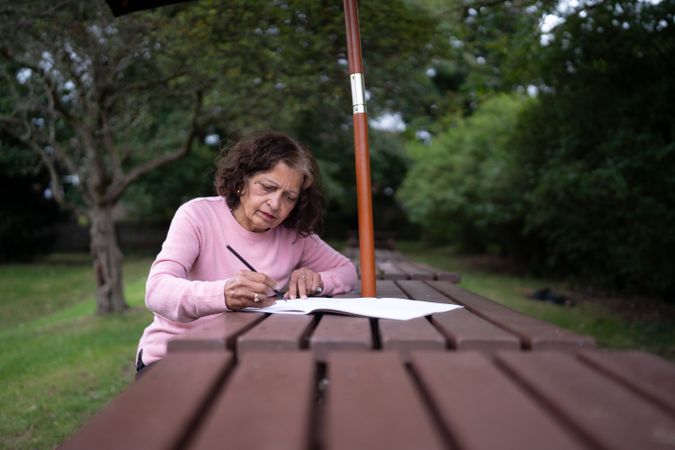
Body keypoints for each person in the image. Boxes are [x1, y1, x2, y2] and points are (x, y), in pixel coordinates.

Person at [135, 131, 358, 376]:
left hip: (249, 359)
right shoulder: (197, 216)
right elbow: (157, 291)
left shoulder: (294, 237)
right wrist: (222, 294)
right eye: (267, 187)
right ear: (242, 182)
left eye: (289, 197)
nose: (275, 204)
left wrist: (317, 281)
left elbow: (348, 271)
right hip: (175, 356)